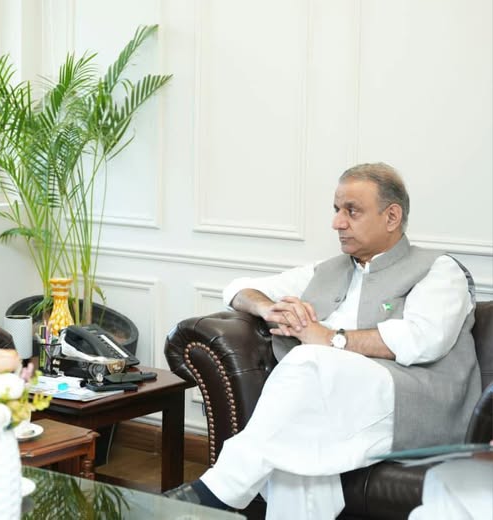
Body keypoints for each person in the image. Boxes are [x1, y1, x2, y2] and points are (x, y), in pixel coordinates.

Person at [166, 162, 480, 519]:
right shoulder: (328, 270)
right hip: (336, 405)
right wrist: (268, 308)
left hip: (410, 403)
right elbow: (238, 289)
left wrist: (330, 339)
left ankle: (217, 491)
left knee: (308, 360)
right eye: (336, 209)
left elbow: (424, 339)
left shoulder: (439, 269)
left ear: (392, 217)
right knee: (299, 449)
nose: (337, 222)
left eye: (352, 211)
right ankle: (214, 494)